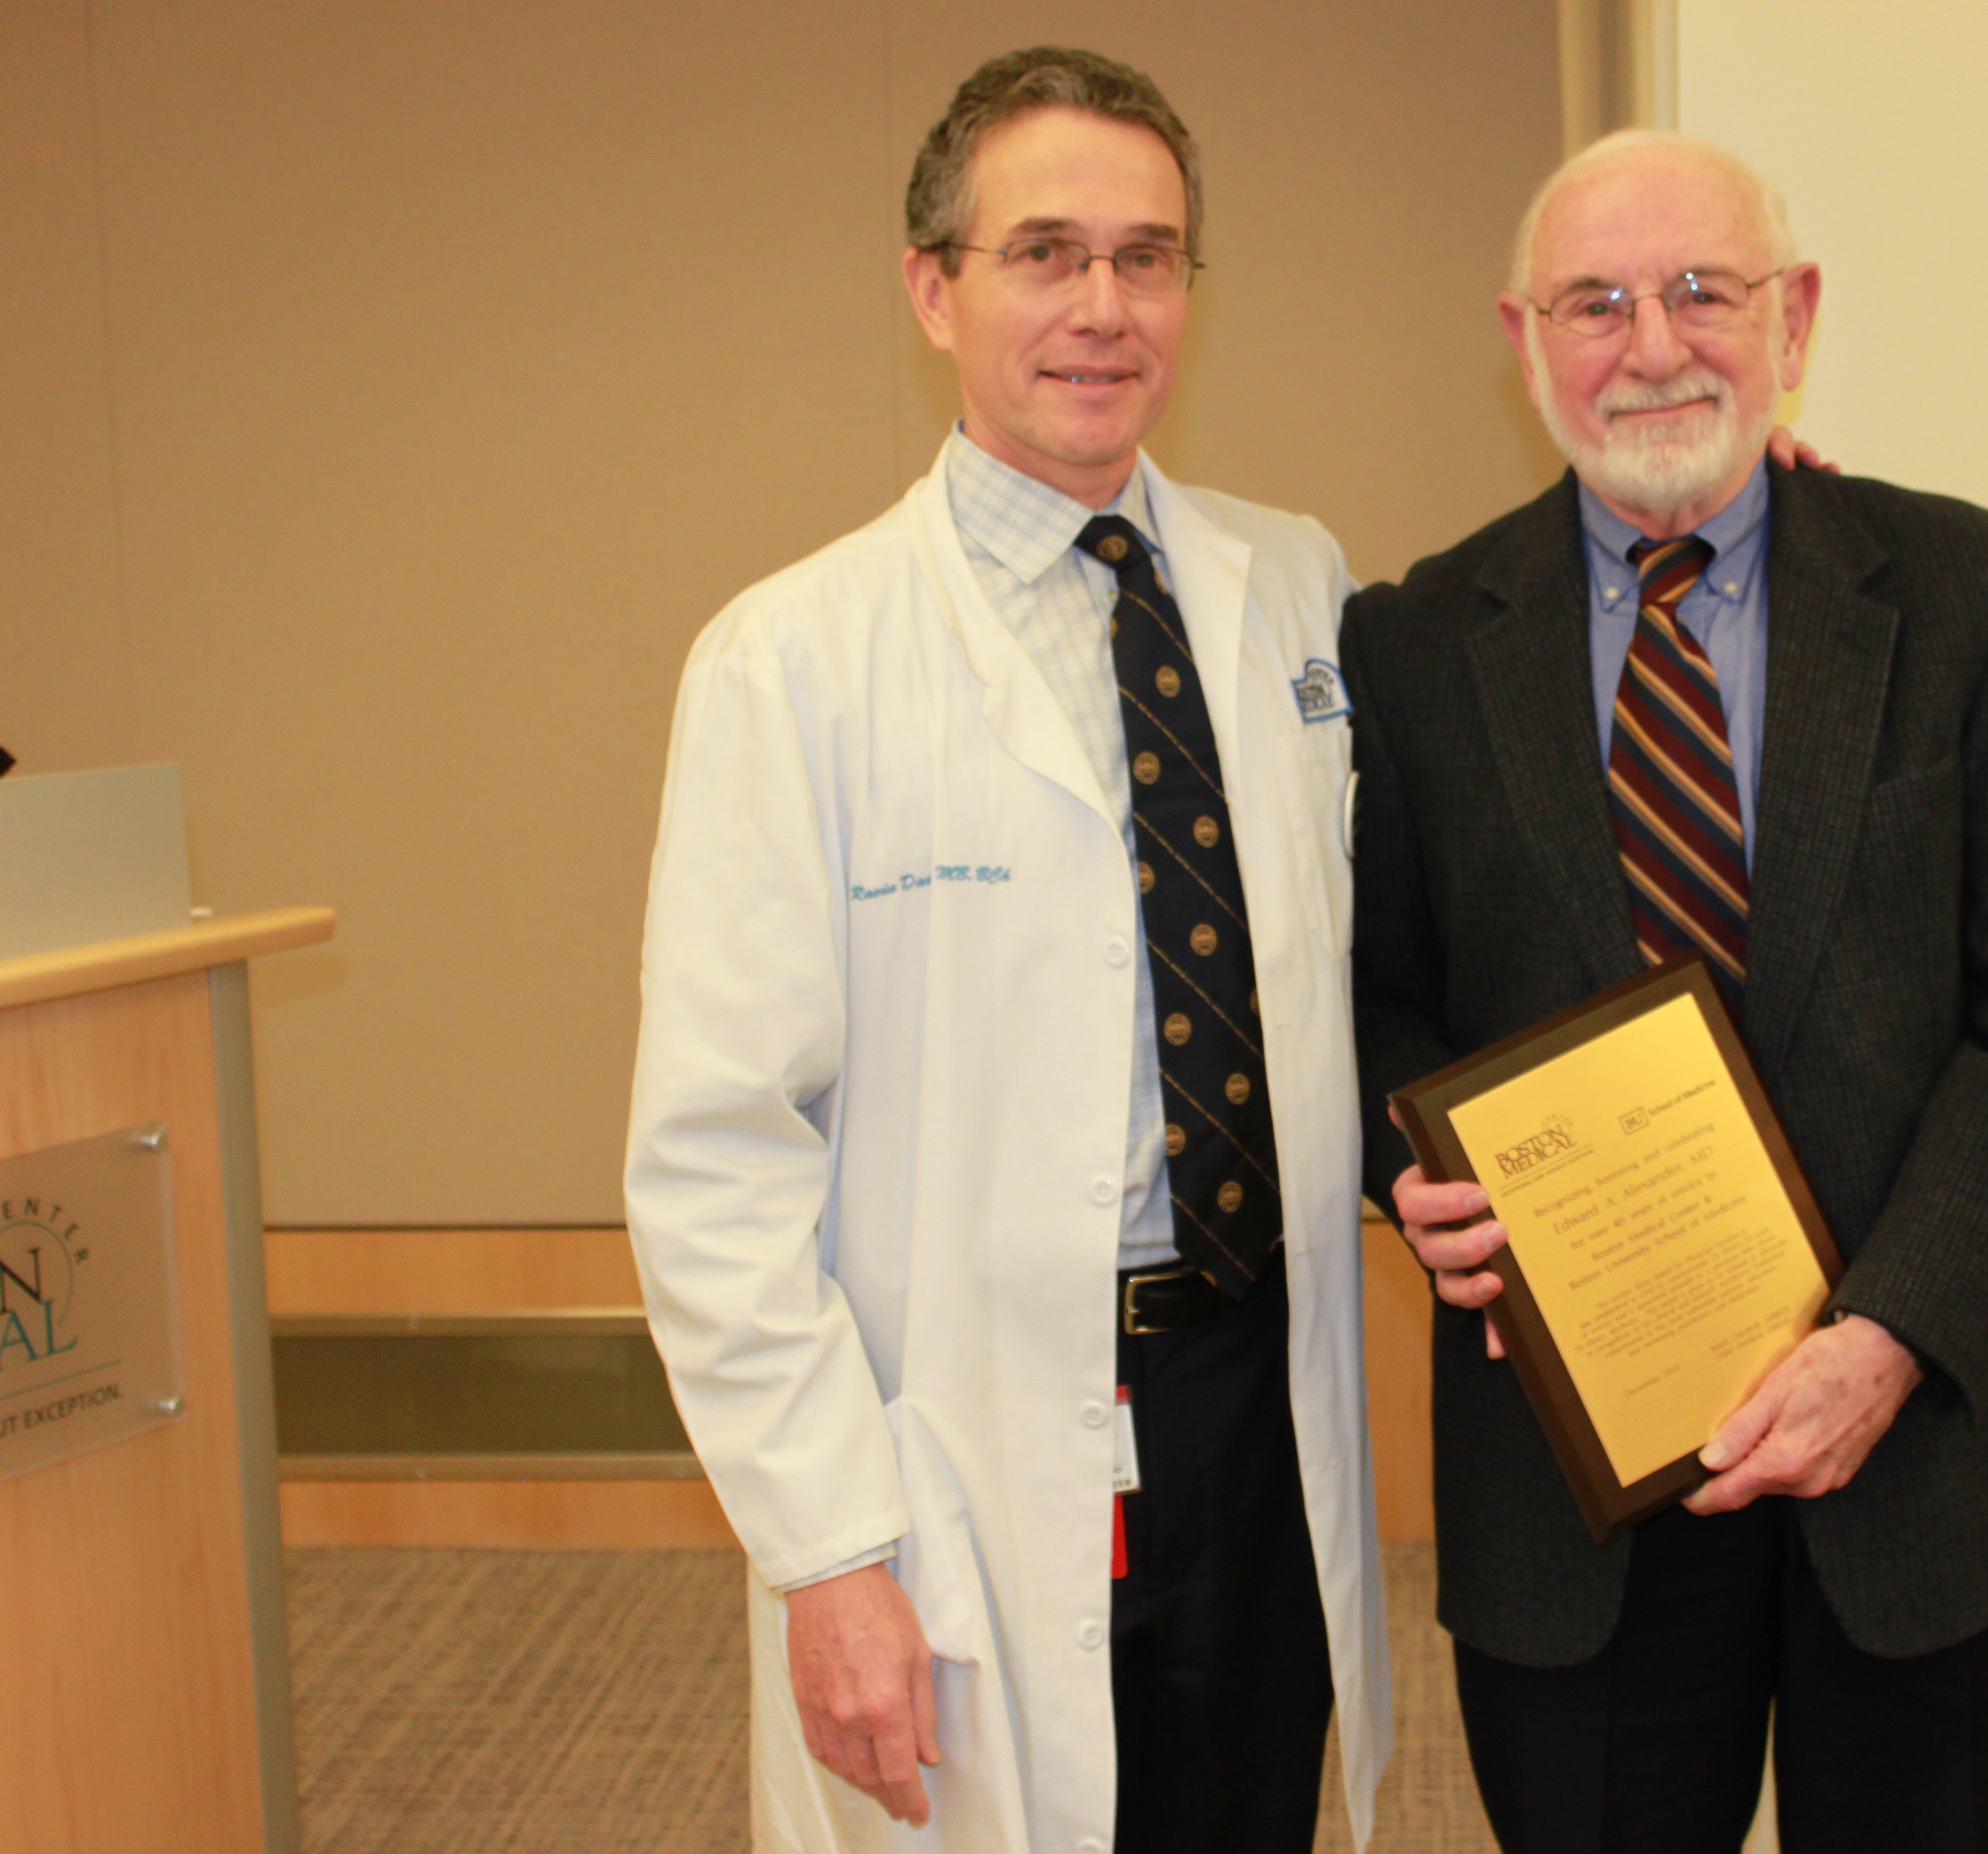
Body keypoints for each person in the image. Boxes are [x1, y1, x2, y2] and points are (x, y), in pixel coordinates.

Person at [1341, 130, 1988, 1853]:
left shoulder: (1983, 595)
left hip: (1916, 1461)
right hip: (1579, 1499)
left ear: (1797, 316)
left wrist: (1891, 1336)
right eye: (1597, 301)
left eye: (1704, 290)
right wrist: (1408, 1175)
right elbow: (1375, 1005)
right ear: (1522, 334)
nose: (1652, 345)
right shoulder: (1409, 645)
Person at [625, 47, 1388, 1854]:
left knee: (1245, 1814)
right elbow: (715, 1160)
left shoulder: (1300, 589)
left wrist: (1746, 515)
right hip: (963, 1425)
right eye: (1046, 253)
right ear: (932, 290)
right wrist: (828, 1554)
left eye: (1152, 256)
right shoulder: (792, 660)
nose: (1105, 309)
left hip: (1260, 1402)